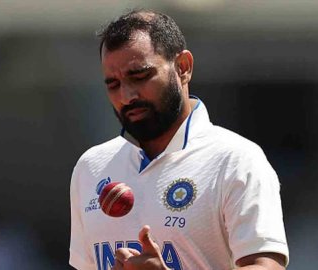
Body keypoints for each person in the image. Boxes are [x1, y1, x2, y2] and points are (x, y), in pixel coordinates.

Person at [69, 9, 289, 270]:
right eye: (113, 84)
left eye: (139, 76)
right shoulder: (91, 166)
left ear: (183, 67)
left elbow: (265, 265)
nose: (126, 96)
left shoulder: (236, 160)